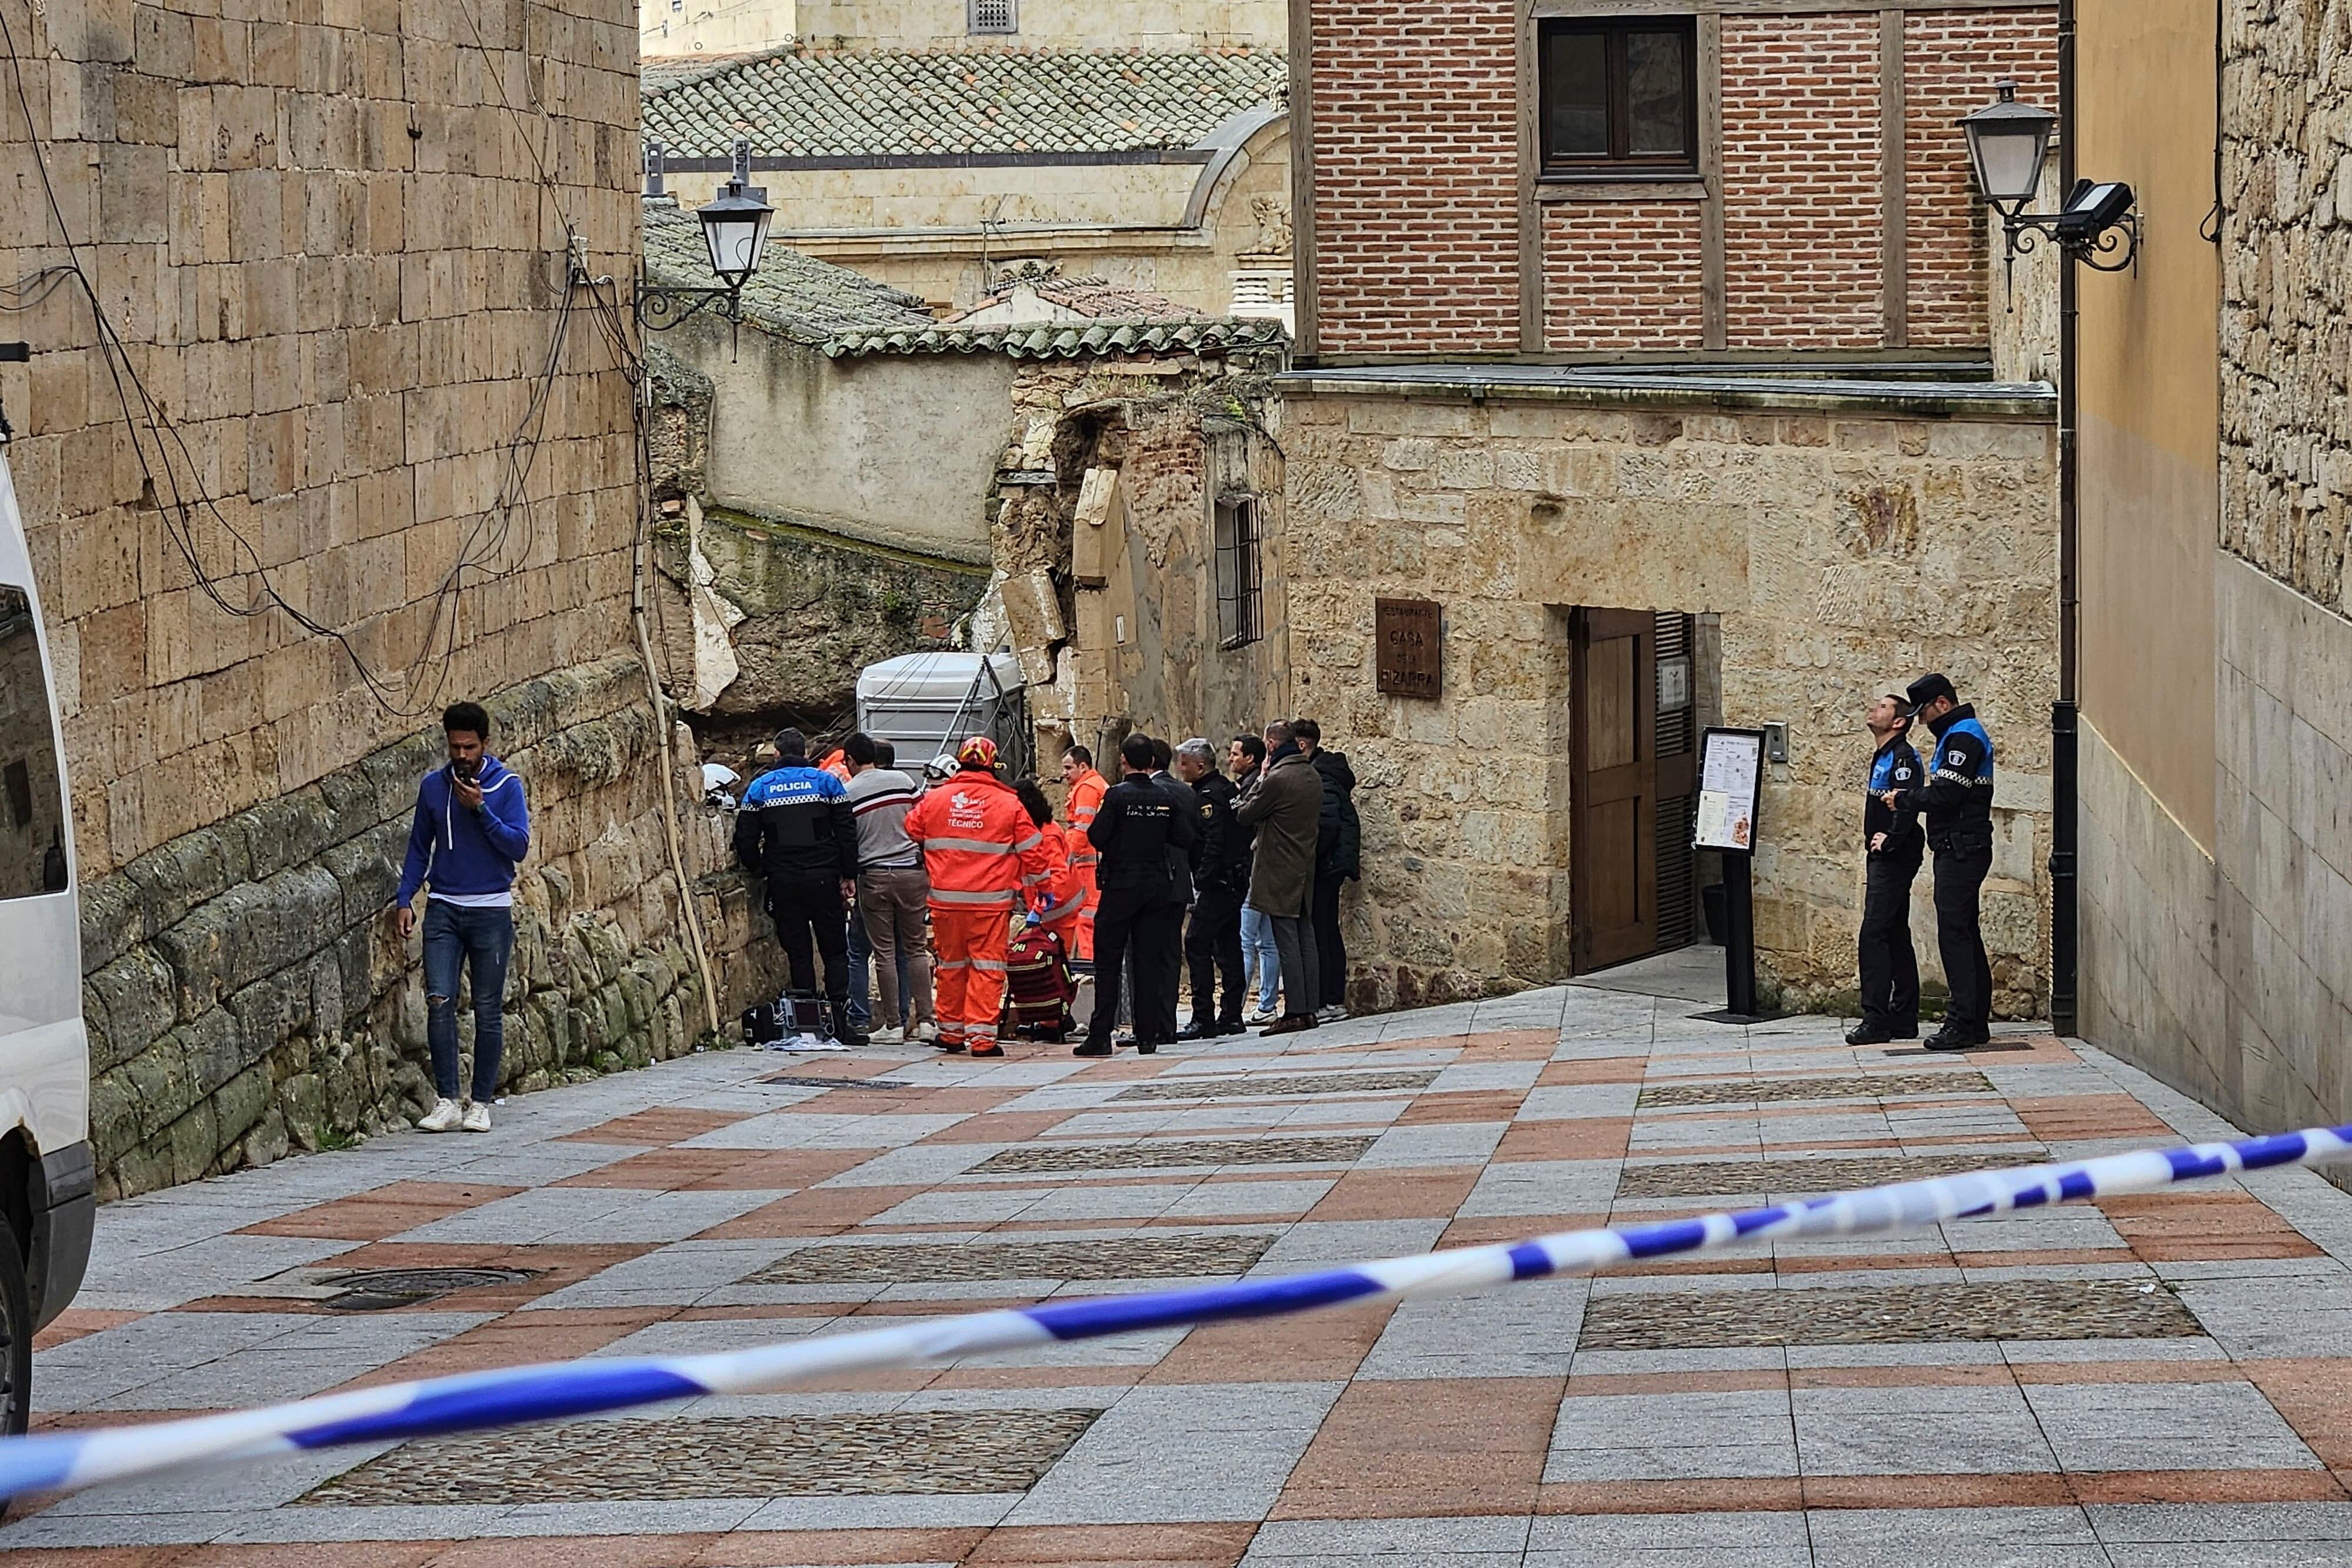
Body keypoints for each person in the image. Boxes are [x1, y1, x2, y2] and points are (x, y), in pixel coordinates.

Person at [394, 700, 532, 1133]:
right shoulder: (433, 788)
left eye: (469, 748)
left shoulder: (506, 786)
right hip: (444, 908)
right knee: (439, 1000)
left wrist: (480, 810)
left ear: (484, 745)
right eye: (454, 747)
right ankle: (448, 1098)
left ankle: (482, 1102)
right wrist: (405, 898)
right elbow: (420, 846)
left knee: (488, 1009)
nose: (461, 756)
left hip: (490, 909)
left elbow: (518, 846)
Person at [904, 736, 1072, 1056]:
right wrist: (1046, 890)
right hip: (989, 905)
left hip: (946, 902)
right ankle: (982, 1040)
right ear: (993, 766)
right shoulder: (1010, 805)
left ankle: (951, 1034)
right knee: (986, 968)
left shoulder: (937, 799)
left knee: (951, 968)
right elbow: (1033, 854)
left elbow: (913, 827)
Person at [1881, 673, 1996, 1050]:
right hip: (1960, 846)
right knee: (1965, 934)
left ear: (1942, 704)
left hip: (1962, 847)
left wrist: (1905, 799)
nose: (1924, 720)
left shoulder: (1963, 735)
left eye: (1925, 712)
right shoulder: (1959, 733)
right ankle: (1975, 1022)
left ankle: (1962, 1023)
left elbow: (1948, 793)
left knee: (1956, 936)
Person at [735, 727, 866, 1048]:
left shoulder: (760, 788)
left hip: (784, 880)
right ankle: (840, 1021)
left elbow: (745, 838)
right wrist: (849, 874)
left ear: (777, 755)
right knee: (835, 950)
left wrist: (760, 869)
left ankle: (808, 1021)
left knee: (798, 950)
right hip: (824, 877)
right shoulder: (826, 782)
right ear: (806, 753)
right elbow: (847, 831)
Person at [1076, 733, 1195, 1056]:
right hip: (1157, 886)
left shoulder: (1116, 797)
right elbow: (1184, 837)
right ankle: (1147, 1036)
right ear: (1152, 763)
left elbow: (1097, 837)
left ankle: (1101, 1034)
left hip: (1121, 886)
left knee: (1109, 961)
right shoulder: (1166, 797)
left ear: (1124, 761)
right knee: (1149, 961)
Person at [844, 732, 934, 1045]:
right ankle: (926, 1022)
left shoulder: (848, 792)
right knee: (915, 949)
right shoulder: (904, 782)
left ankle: (893, 1025)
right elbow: (925, 822)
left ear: (851, 761)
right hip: (912, 874)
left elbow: (847, 840)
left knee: (883, 954)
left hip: (875, 877)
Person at [1234, 719, 1323, 1036]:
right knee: (1305, 937)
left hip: (1277, 866)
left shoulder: (1278, 778)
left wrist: (1261, 777)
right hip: (1303, 864)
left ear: (1271, 746)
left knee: (1286, 940)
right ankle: (1310, 1007)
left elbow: (1246, 813)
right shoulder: (1312, 774)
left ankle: (1296, 1010)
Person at [1849, 693, 1926, 1047]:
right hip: (1883, 853)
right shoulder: (1883, 754)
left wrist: (1891, 841)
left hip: (1894, 856)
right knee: (1894, 931)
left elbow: (1907, 805)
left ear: (1899, 722)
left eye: (1883, 707)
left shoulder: (1903, 757)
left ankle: (1876, 1017)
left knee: (1874, 932)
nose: (1873, 708)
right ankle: (1904, 1017)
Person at [1175, 738, 1246, 1039]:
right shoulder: (1228, 789)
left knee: (1196, 943)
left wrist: (1202, 880)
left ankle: (1203, 1016)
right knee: (1229, 947)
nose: (1180, 769)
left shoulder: (1208, 796)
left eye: (1185, 764)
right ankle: (1231, 1015)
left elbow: (1214, 841)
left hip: (1219, 882)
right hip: (1234, 879)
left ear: (1200, 766)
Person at [1295, 718, 1360, 1022]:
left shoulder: (1322, 776)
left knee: (1323, 930)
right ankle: (1329, 999)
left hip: (1327, 865)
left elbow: (1327, 824)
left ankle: (1331, 1000)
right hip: (1331, 862)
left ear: (1302, 745)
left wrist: (1313, 858)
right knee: (1326, 929)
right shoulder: (1326, 772)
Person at [1228, 733, 1279, 1023]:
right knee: (1267, 942)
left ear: (1251, 758)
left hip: (1252, 872)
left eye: (1236, 754)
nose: (1232, 759)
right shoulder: (1252, 785)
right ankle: (1267, 1003)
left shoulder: (1251, 789)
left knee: (1247, 941)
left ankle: (1238, 1003)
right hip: (1264, 871)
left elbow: (1244, 823)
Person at [1059, 745, 1108, 965]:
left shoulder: (1087, 788)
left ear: (1083, 766)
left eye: (1069, 768)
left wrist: (1065, 858)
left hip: (1089, 865)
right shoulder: (1097, 784)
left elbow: (1082, 828)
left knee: (1087, 918)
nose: (1064, 773)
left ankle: (1090, 968)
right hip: (1095, 862)